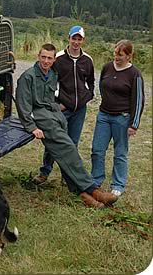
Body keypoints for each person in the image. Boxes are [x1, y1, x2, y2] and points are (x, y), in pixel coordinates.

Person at [15, 43, 118, 209]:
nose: (46, 61)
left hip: (53, 115)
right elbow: (23, 106)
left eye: (49, 58)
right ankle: (93, 189)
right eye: (43, 57)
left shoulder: (52, 74)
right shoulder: (28, 77)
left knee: (62, 152)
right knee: (68, 148)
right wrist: (32, 127)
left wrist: (59, 108)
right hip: (40, 117)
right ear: (38, 57)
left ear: (54, 59)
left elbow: (51, 98)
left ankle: (83, 194)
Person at [34, 25, 94, 184]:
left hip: (79, 110)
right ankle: (44, 172)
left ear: (83, 41)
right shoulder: (58, 58)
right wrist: (57, 103)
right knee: (54, 140)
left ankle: (67, 176)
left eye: (79, 39)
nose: (76, 42)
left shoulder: (87, 60)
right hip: (61, 108)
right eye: (73, 38)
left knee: (72, 144)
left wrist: (85, 98)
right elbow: (50, 81)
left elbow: (90, 83)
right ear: (68, 38)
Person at [91, 39, 144, 196]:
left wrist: (133, 124)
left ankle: (118, 185)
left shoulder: (135, 74)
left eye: (120, 55)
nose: (116, 57)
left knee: (120, 153)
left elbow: (139, 100)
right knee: (97, 150)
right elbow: (102, 86)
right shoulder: (107, 67)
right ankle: (96, 180)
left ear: (129, 56)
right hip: (104, 116)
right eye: (115, 53)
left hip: (122, 118)